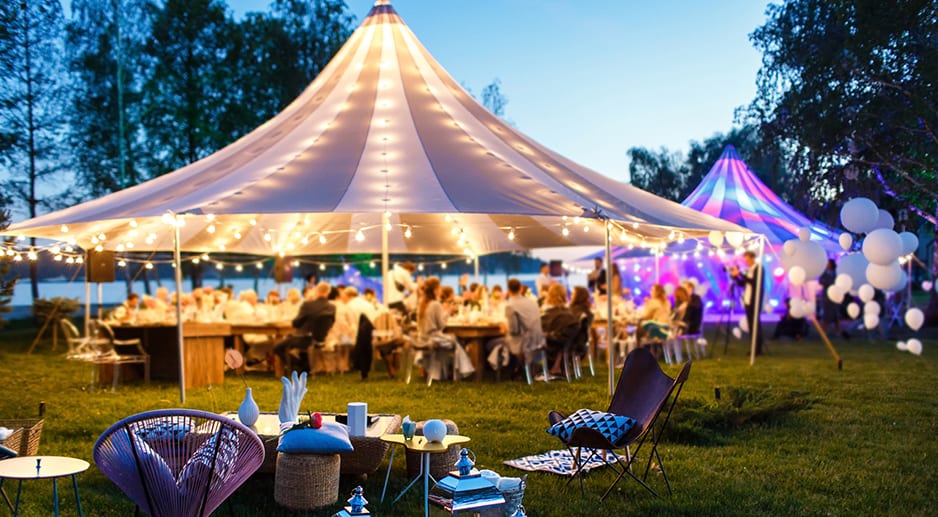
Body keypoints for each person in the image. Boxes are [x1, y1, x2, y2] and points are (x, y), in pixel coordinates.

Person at [273, 282, 335, 376]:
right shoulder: (332, 307)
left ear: (316, 291)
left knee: (277, 347)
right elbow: (330, 323)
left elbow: (296, 323)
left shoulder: (308, 305)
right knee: (300, 345)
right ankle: (304, 367)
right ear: (328, 292)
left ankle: (298, 365)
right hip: (320, 339)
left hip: (303, 338)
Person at [504, 277, 545, 378]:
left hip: (524, 341)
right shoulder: (533, 302)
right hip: (538, 338)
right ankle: (521, 367)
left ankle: (516, 368)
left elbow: (514, 330)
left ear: (508, 290)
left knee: (495, 342)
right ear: (521, 289)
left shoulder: (510, 305)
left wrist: (504, 328)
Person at [730, 250, 765, 355]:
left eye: (748, 259)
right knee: (751, 325)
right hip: (748, 300)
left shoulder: (758, 268)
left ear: (752, 258)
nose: (747, 262)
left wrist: (740, 273)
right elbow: (744, 283)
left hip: (755, 300)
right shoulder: (749, 270)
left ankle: (757, 348)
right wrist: (736, 277)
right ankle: (754, 347)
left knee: (755, 324)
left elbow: (755, 282)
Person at [540, 284, 579, 374]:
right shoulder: (569, 312)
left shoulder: (548, 314)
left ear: (549, 295)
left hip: (551, 344)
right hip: (566, 344)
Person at [818, 259, 847, 338]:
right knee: (826, 316)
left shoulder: (836, 273)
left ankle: (838, 332)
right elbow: (821, 281)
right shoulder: (824, 274)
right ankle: (823, 333)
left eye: (829, 264)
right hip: (826, 298)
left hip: (835, 298)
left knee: (836, 316)